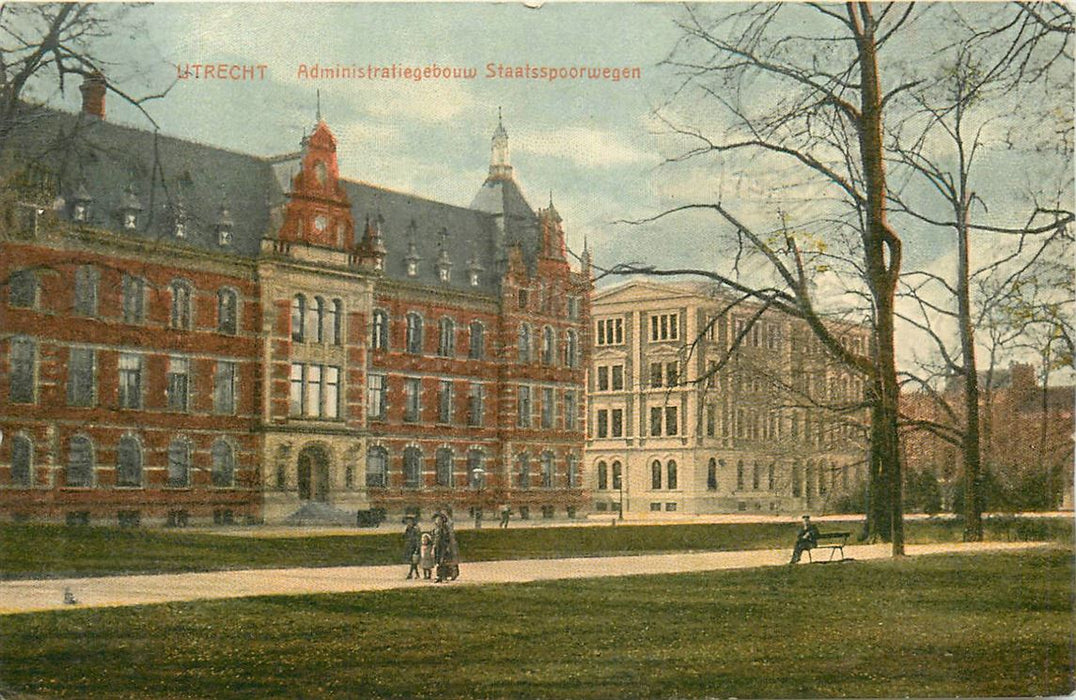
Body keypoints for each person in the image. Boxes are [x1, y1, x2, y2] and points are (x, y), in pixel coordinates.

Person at [432, 510, 460, 583]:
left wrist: (448, 547)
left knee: (443, 562)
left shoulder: (445, 529)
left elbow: (447, 539)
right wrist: (434, 546)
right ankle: (439, 576)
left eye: (439, 520)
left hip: (443, 547)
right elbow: (434, 539)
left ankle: (444, 576)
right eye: (436, 520)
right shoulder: (435, 529)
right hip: (438, 547)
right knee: (438, 562)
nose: (437, 521)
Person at [403, 515, 421, 580]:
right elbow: (405, 537)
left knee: (413, 561)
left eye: (410, 521)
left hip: (414, 546)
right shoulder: (408, 529)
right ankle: (417, 574)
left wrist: (417, 547)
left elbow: (418, 538)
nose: (408, 523)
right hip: (409, 546)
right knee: (412, 561)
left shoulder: (416, 529)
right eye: (407, 522)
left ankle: (410, 574)